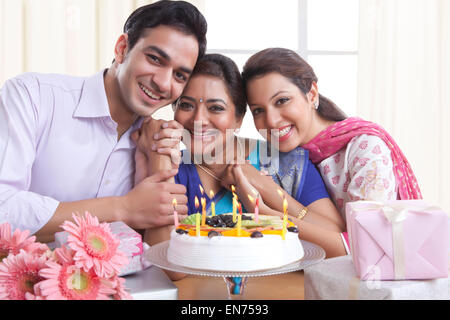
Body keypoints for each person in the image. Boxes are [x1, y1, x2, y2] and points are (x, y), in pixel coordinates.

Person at [0, 0, 207, 241]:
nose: (163, 82)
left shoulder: (153, 141)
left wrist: (150, 166)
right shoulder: (32, 96)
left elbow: (152, 257)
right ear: (121, 48)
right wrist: (124, 208)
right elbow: (3, 206)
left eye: (179, 75)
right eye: (155, 59)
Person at [136, 54, 347, 275]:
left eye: (216, 108)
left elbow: (337, 244)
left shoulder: (287, 162)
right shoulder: (174, 171)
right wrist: (159, 157)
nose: (198, 120)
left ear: (238, 119)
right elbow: (171, 270)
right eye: (186, 105)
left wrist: (265, 188)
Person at [242, 47, 422, 253]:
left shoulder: (365, 150)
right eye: (258, 110)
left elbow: (366, 247)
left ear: (312, 94)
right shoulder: (278, 160)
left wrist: (269, 212)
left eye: (282, 101)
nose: (272, 121)